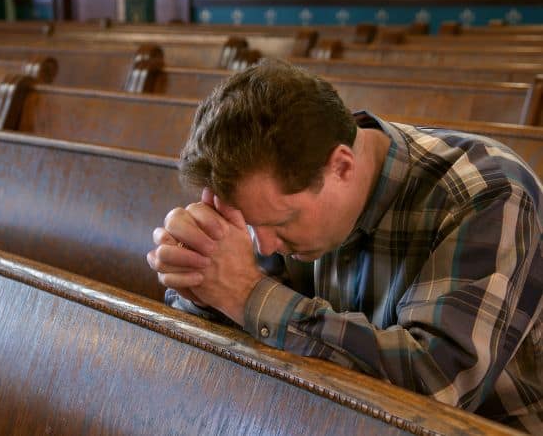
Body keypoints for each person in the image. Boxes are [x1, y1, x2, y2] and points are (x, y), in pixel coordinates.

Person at [146, 59, 542, 433]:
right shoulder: (284, 198)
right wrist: (201, 280)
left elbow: (436, 387)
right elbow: (262, 323)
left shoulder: (489, 194)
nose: (265, 245)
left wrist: (246, 293)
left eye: (281, 223)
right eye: (251, 226)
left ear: (342, 167)